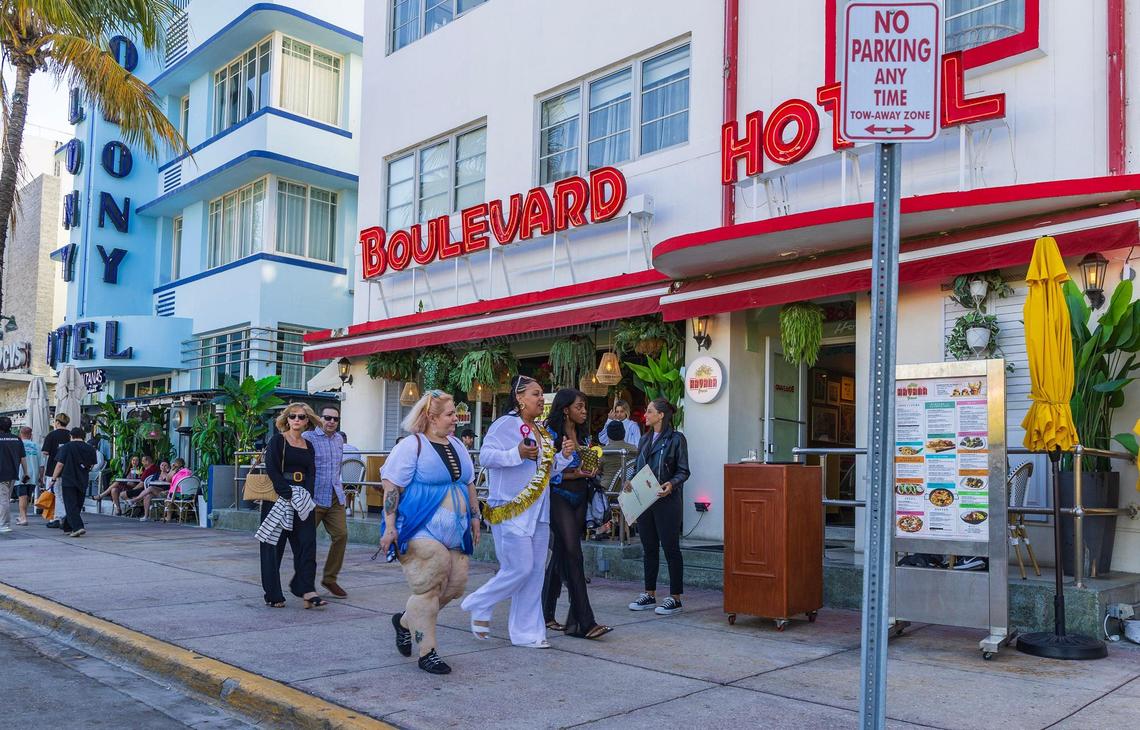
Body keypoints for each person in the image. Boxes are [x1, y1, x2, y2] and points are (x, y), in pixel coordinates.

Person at [461, 375, 574, 649]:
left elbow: (545, 471)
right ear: (519, 397)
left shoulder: (543, 432)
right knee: (520, 568)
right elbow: (486, 457)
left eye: (541, 394)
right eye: (535, 394)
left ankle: (527, 633)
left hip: (540, 512)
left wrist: (564, 457)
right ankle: (480, 601)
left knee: (535, 574)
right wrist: (516, 453)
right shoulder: (504, 425)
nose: (540, 399)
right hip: (511, 509)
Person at [379, 390, 479, 675]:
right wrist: (389, 527)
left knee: (456, 584)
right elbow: (391, 487)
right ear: (431, 417)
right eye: (450, 414)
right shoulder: (412, 446)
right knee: (430, 581)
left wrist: (475, 517)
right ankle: (427, 651)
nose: (455, 419)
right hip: (418, 526)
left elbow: (469, 483)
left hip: (455, 530)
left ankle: (404, 622)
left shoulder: (457, 445)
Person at [541, 389, 611, 639]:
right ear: (565, 409)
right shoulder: (549, 434)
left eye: (584, 407)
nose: (584, 411)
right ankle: (585, 621)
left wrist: (590, 468)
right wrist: (575, 472)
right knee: (574, 554)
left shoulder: (584, 434)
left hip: (581, 495)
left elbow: (588, 465)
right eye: (579, 407)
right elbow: (546, 473)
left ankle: (547, 614)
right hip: (559, 497)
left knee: (561, 554)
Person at [255, 402, 326, 610]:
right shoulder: (278, 440)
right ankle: (273, 594)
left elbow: (312, 472)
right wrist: (285, 491)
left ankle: (306, 588)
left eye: (301, 417)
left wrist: (307, 493)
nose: (297, 419)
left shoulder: (309, 445)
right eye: (293, 416)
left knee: (307, 543)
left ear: (307, 421)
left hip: (303, 499)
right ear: (287, 419)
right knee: (272, 546)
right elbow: (272, 467)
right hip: (279, 496)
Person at [626, 398, 690, 616]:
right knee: (649, 547)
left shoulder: (676, 439)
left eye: (650, 411)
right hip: (645, 499)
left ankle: (675, 597)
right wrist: (630, 482)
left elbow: (683, 470)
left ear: (661, 415)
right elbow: (637, 468)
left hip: (667, 500)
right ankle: (649, 594)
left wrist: (672, 484)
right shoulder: (644, 440)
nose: (646, 414)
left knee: (671, 548)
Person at [303, 405, 350, 598]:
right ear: (319, 418)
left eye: (335, 419)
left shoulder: (339, 439)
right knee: (305, 542)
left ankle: (330, 579)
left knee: (341, 535)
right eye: (327, 418)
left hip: (334, 496)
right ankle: (305, 584)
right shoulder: (308, 438)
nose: (331, 422)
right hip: (313, 498)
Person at [591, 421, 638, 539]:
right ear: (623, 432)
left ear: (608, 434)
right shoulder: (634, 449)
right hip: (628, 490)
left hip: (608, 491)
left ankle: (597, 528)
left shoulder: (604, 451)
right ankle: (625, 527)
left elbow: (594, 470)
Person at [50, 426, 98, 537]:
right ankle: (67, 526)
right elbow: (91, 464)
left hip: (68, 479)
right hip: (83, 479)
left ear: (71, 436)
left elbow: (60, 464)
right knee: (77, 505)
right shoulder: (90, 448)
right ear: (83, 436)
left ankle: (78, 527)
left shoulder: (66, 447)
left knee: (70, 504)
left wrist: (53, 478)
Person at [41, 413, 71, 528]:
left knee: (56, 494)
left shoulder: (51, 435)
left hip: (53, 469)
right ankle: (62, 516)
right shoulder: (70, 435)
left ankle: (59, 517)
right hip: (68, 470)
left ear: (57, 422)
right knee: (64, 494)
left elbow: (45, 452)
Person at [0, 417, 29, 533]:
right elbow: (23, 458)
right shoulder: (17, 439)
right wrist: (26, 472)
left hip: (1, 473)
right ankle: (3, 522)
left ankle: (4, 524)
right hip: (12, 473)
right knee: (5, 498)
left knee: (3, 499)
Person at [16, 426, 43, 526]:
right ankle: (22, 515)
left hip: (21, 474)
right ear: (30, 435)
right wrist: (41, 477)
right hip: (34, 475)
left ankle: (23, 518)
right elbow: (41, 464)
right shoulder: (36, 446)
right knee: (26, 497)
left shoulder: (18, 444)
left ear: (20, 434)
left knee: (22, 496)